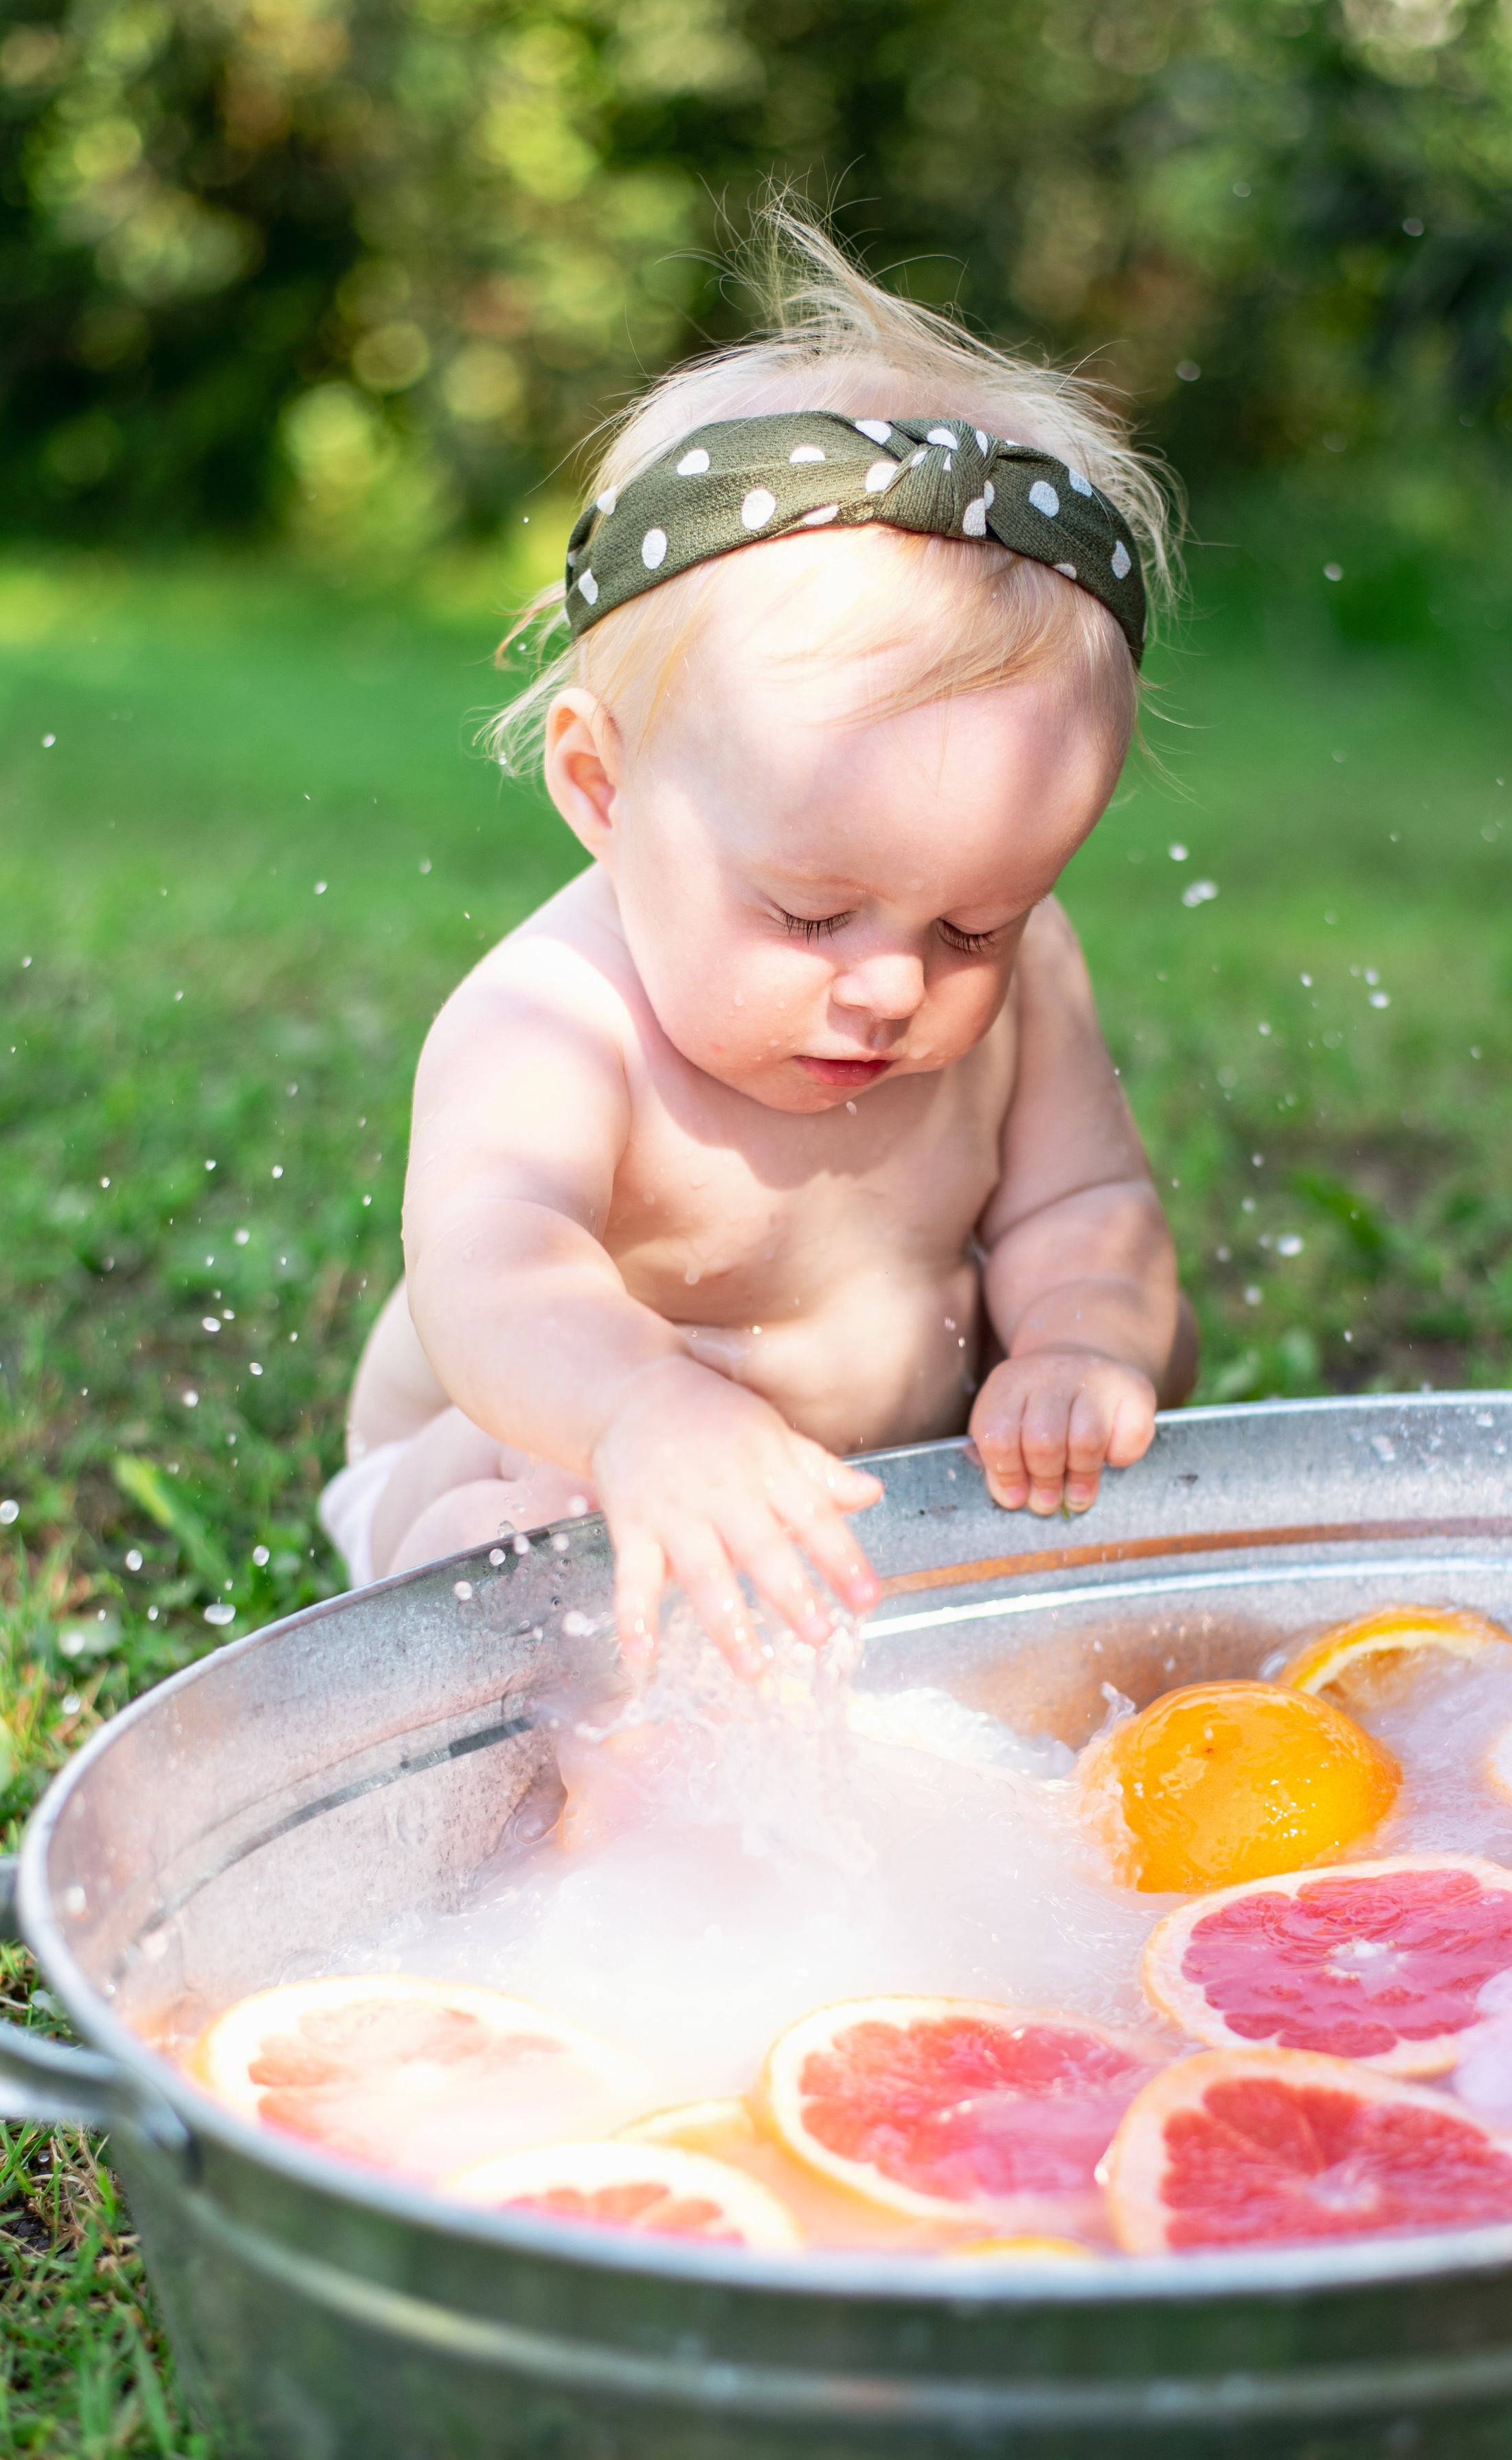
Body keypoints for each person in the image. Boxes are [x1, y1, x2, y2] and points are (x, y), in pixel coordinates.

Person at [321, 207, 1197, 1678]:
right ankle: (558, 1835)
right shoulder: (554, 1017)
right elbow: (493, 1270)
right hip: (525, 1455)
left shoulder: (1020, 974)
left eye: (974, 919)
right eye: (807, 911)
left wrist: (1077, 1346)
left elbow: (1081, 1207)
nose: (890, 983)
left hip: (854, 1489)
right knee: (534, 1554)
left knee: (1070, 1646)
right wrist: (635, 1410)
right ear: (601, 787)